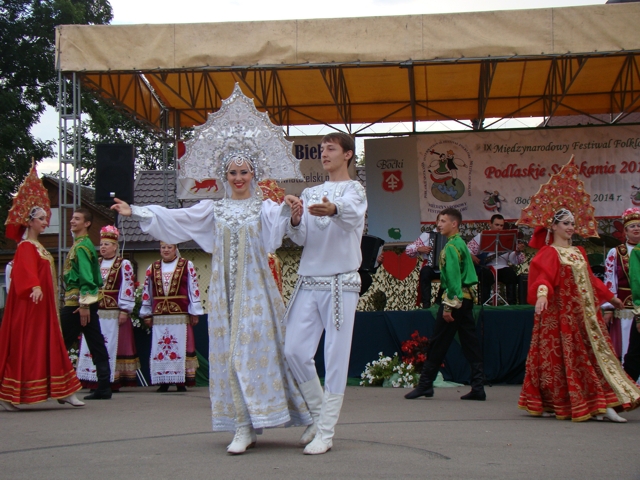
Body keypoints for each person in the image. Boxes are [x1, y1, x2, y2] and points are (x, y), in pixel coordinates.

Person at [111, 164, 310, 453]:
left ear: (253, 174)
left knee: (265, 350)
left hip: (256, 291)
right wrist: (138, 211)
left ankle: (306, 416)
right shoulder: (214, 209)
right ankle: (243, 425)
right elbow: (178, 218)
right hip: (223, 293)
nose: (239, 178)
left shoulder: (263, 206)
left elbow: (278, 232)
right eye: (233, 173)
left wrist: (290, 212)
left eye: (244, 172)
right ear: (224, 177)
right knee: (230, 354)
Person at [284, 132, 368, 455]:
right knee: (293, 349)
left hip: (340, 282)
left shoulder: (355, 190)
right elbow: (303, 236)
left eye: (331, 148)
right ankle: (318, 416)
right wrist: (295, 220)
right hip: (309, 279)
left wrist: (333, 209)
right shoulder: (310, 192)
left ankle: (327, 431)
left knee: (335, 356)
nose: (324, 153)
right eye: (322, 149)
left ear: (347, 155)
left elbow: (349, 216)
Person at [519, 209, 640, 421]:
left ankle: (602, 402)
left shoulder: (578, 252)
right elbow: (544, 277)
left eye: (572, 223)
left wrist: (611, 298)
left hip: (584, 316)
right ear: (553, 226)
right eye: (565, 223)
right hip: (559, 316)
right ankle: (557, 402)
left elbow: (591, 280)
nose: (570, 227)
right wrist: (542, 295)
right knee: (556, 360)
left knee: (594, 357)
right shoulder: (549, 252)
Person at [0, 167, 83, 411]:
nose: (46, 222)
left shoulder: (37, 246)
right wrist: (34, 286)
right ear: (29, 221)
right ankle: (11, 392)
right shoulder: (26, 246)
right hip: (31, 309)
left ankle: (64, 390)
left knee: (50, 345)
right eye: (41, 218)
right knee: (31, 347)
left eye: (46, 218)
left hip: (44, 308)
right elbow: (23, 271)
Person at [404, 208, 486, 402]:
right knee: (470, 343)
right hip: (466, 300)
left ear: (454, 224)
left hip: (455, 301)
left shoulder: (451, 247)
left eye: (443, 221)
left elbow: (454, 279)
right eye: (438, 221)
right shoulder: (460, 244)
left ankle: (425, 385)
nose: (439, 224)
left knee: (438, 342)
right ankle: (478, 386)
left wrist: (449, 306)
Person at [76, 226, 139, 391]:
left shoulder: (123, 264)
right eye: (101, 244)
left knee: (110, 344)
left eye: (107, 244)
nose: (103, 247)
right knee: (93, 344)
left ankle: (110, 380)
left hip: (112, 312)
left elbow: (128, 286)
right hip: (95, 311)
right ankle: (92, 379)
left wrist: (124, 309)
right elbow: (87, 285)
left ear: (115, 247)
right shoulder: (95, 263)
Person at [60, 208, 112, 400]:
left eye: (77, 219)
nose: (72, 221)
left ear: (87, 223)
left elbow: (87, 278)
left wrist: (83, 305)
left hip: (77, 303)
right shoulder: (85, 244)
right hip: (85, 302)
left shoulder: (81, 247)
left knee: (60, 342)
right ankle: (104, 386)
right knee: (96, 342)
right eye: (72, 218)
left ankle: (57, 385)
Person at [139, 242, 202, 392]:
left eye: (169, 247)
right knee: (161, 347)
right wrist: (146, 313)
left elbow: (193, 288)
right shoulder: (152, 268)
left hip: (179, 314)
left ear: (175, 249)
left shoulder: (186, 265)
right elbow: (147, 291)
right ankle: (164, 380)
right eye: (163, 247)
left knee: (178, 345)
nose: (166, 250)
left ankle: (180, 381)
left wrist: (194, 311)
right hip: (160, 315)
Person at [603, 208, 640, 363]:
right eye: (632, 226)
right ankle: (628, 379)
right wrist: (609, 308)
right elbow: (610, 280)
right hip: (625, 306)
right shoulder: (616, 252)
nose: (637, 228)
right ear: (625, 231)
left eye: (639, 225)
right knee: (628, 345)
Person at [467, 214, 525, 305]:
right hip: (488, 267)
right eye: (496, 225)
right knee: (484, 275)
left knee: (511, 275)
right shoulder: (482, 236)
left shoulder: (508, 237)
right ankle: (484, 304)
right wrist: (472, 256)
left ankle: (512, 304)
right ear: (490, 224)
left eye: (501, 225)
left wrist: (517, 251)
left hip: (503, 267)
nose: (499, 228)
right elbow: (467, 249)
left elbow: (514, 260)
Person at [405, 219, 444, 308]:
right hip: (431, 267)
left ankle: (439, 302)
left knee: (451, 273)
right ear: (436, 222)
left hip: (445, 269)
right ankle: (426, 305)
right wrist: (419, 249)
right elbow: (408, 250)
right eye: (440, 221)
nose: (442, 224)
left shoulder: (451, 237)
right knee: (425, 272)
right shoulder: (427, 235)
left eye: (444, 221)